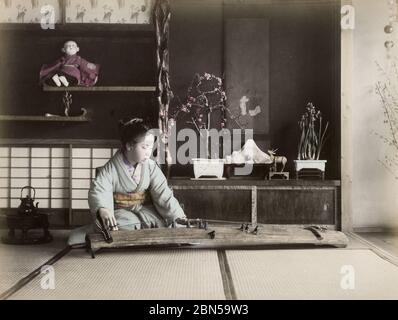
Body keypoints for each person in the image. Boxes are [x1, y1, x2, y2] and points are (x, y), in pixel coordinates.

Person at [67, 118, 187, 245]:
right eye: (144, 147)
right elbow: (99, 190)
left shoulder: (151, 166)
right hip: (121, 213)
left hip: (144, 210)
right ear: (129, 145)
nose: (148, 152)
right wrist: (103, 209)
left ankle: (138, 233)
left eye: (150, 147)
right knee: (117, 225)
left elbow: (164, 194)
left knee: (164, 222)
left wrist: (179, 218)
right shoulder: (111, 168)